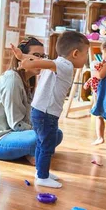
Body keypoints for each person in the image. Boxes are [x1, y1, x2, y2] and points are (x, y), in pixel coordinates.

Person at [16, 31, 89, 188]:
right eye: (86, 54)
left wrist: (23, 57)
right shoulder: (66, 65)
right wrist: (29, 64)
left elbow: (41, 61)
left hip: (39, 111)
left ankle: (41, 172)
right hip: (46, 113)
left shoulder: (58, 62)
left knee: (42, 143)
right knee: (47, 144)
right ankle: (42, 177)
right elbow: (42, 63)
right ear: (75, 53)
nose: (87, 58)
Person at [0, 37, 63, 162]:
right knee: (39, 137)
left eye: (42, 56)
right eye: (35, 56)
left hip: (15, 134)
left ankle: (29, 151)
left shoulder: (29, 80)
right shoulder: (12, 80)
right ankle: (31, 151)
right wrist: (40, 132)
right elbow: (16, 124)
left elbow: (30, 117)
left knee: (56, 133)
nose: (40, 60)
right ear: (21, 57)